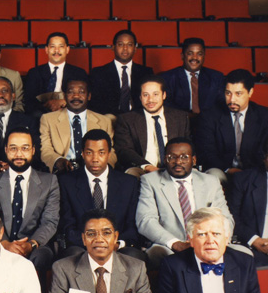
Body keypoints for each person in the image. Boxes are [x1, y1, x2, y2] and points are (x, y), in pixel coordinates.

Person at [137, 138, 236, 269]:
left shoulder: (211, 181)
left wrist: (216, 241)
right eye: (172, 157)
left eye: (184, 157)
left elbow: (225, 218)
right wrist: (175, 243)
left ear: (193, 160)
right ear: (165, 159)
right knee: (159, 254)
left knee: (244, 253)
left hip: (208, 242)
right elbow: (146, 220)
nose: (178, 162)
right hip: (169, 246)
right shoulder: (150, 181)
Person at [0, 127, 59, 274]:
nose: (19, 154)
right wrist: (5, 243)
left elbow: (50, 221)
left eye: (25, 148)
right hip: (1, 242)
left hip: (36, 244)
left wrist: (31, 245)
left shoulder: (49, 181)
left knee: (39, 258)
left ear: (33, 150)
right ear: (6, 150)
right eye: (13, 148)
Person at [59, 129, 142, 260]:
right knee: (73, 255)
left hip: (117, 245)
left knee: (134, 256)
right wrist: (93, 244)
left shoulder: (128, 183)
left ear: (109, 154)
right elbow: (68, 225)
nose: (95, 159)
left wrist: (117, 243)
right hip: (82, 246)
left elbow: (132, 225)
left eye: (101, 153)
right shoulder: (66, 182)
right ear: (82, 153)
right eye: (89, 153)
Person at [195, 69, 268, 184]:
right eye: (228, 93)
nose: (232, 99)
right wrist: (229, 170)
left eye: (238, 94)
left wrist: (248, 173)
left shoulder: (264, 116)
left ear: (250, 92)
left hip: (254, 171)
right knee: (213, 176)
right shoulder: (209, 116)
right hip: (223, 170)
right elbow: (206, 152)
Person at [114, 75, 190, 177]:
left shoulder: (180, 117)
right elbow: (124, 150)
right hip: (143, 169)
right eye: (146, 95)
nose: (150, 100)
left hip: (175, 167)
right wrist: (147, 166)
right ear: (140, 97)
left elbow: (188, 146)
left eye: (155, 94)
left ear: (164, 95)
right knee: (132, 173)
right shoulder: (127, 119)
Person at [40, 77, 114, 174]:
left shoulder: (104, 121)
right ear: (64, 96)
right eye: (71, 92)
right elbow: (45, 149)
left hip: (95, 170)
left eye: (81, 92)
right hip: (64, 171)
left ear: (89, 96)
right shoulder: (48, 119)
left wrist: (101, 168)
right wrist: (58, 161)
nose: (76, 96)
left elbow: (111, 152)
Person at [89, 30, 154, 116]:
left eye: (129, 45)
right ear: (113, 47)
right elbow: (95, 104)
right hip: (109, 118)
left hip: (138, 119)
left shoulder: (146, 72)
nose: (125, 48)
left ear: (135, 48)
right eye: (120, 44)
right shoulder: (98, 73)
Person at [24, 32, 87, 118]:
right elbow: (29, 101)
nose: (56, 51)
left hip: (69, 111)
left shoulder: (79, 73)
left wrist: (64, 102)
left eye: (61, 46)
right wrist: (48, 105)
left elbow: (85, 98)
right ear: (46, 49)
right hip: (42, 114)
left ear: (67, 49)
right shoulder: (34, 73)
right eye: (52, 46)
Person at [161, 38, 224, 114]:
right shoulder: (168, 78)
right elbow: (167, 106)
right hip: (180, 121)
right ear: (182, 56)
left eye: (199, 54)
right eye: (190, 53)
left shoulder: (216, 77)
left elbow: (221, 104)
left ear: (204, 56)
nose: (195, 58)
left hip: (209, 122)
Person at [229, 148, 268, 267]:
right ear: (265, 157)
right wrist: (254, 240)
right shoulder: (243, 179)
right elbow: (231, 216)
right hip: (255, 247)